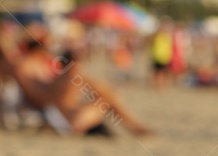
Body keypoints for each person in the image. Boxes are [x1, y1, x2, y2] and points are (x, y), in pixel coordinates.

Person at [14, 40, 151, 136]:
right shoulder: (72, 77)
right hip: (72, 121)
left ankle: (135, 127)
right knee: (108, 98)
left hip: (64, 116)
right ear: (73, 64)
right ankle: (136, 128)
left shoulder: (56, 80)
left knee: (105, 98)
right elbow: (104, 91)